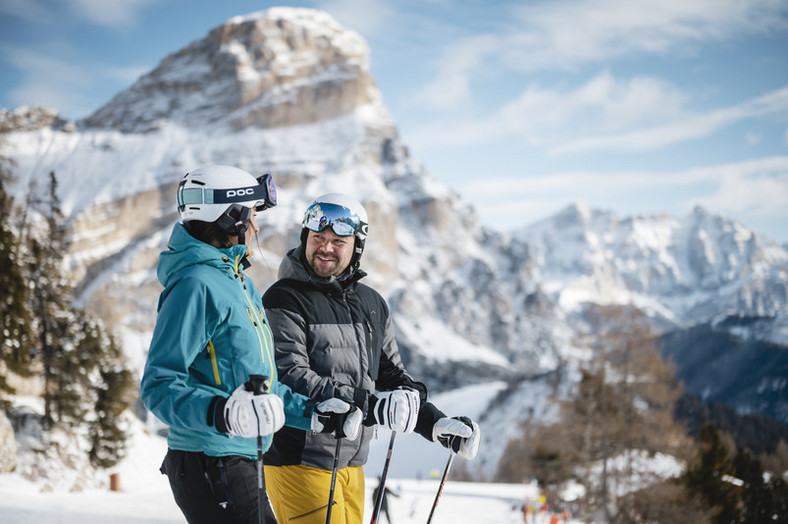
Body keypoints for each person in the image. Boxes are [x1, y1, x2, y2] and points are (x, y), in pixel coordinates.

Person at [141, 167, 362, 524]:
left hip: (240, 457)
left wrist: (314, 414)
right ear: (231, 218)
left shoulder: (239, 283)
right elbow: (159, 386)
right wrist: (221, 412)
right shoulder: (196, 284)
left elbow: (262, 388)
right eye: (253, 215)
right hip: (207, 460)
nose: (256, 226)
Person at [261, 193, 482, 523]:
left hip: (352, 463)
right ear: (305, 237)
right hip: (300, 460)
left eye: (338, 241)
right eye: (317, 237)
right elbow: (290, 375)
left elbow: (392, 375)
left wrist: (434, 423)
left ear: (356, 246)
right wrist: (373, 407)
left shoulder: (371, 303)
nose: (325, 248)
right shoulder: (284, 298)